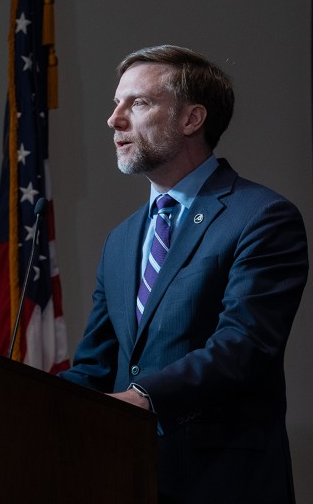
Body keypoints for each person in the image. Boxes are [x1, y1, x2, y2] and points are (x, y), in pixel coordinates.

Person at [58, 45, 308, 504]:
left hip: (223, 483)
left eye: (138, 103)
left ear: (192, 119)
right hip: (123, 476)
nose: (114, 120)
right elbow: (96, 365)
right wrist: (25, 403)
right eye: (116, 104)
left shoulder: (263, 217)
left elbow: (243, 347)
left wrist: (141, 398)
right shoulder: (121, 240)